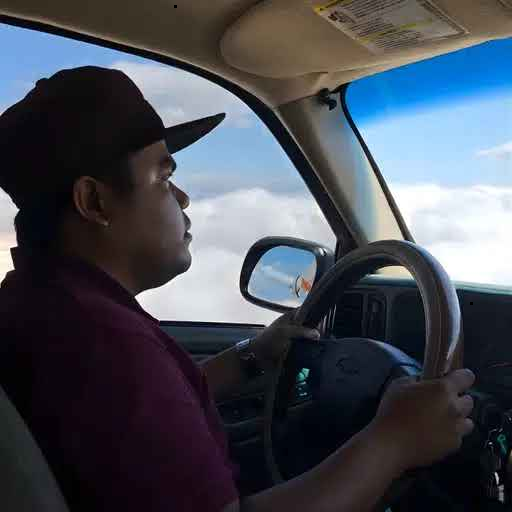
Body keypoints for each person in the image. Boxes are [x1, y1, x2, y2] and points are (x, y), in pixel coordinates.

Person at [0, 66, 475, 512]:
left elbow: (139, 416)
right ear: (94, 201)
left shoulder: (43, 307)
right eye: (164, 177)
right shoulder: (102, 344)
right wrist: (394, 441)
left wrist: (250, 357)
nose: (183, 197)